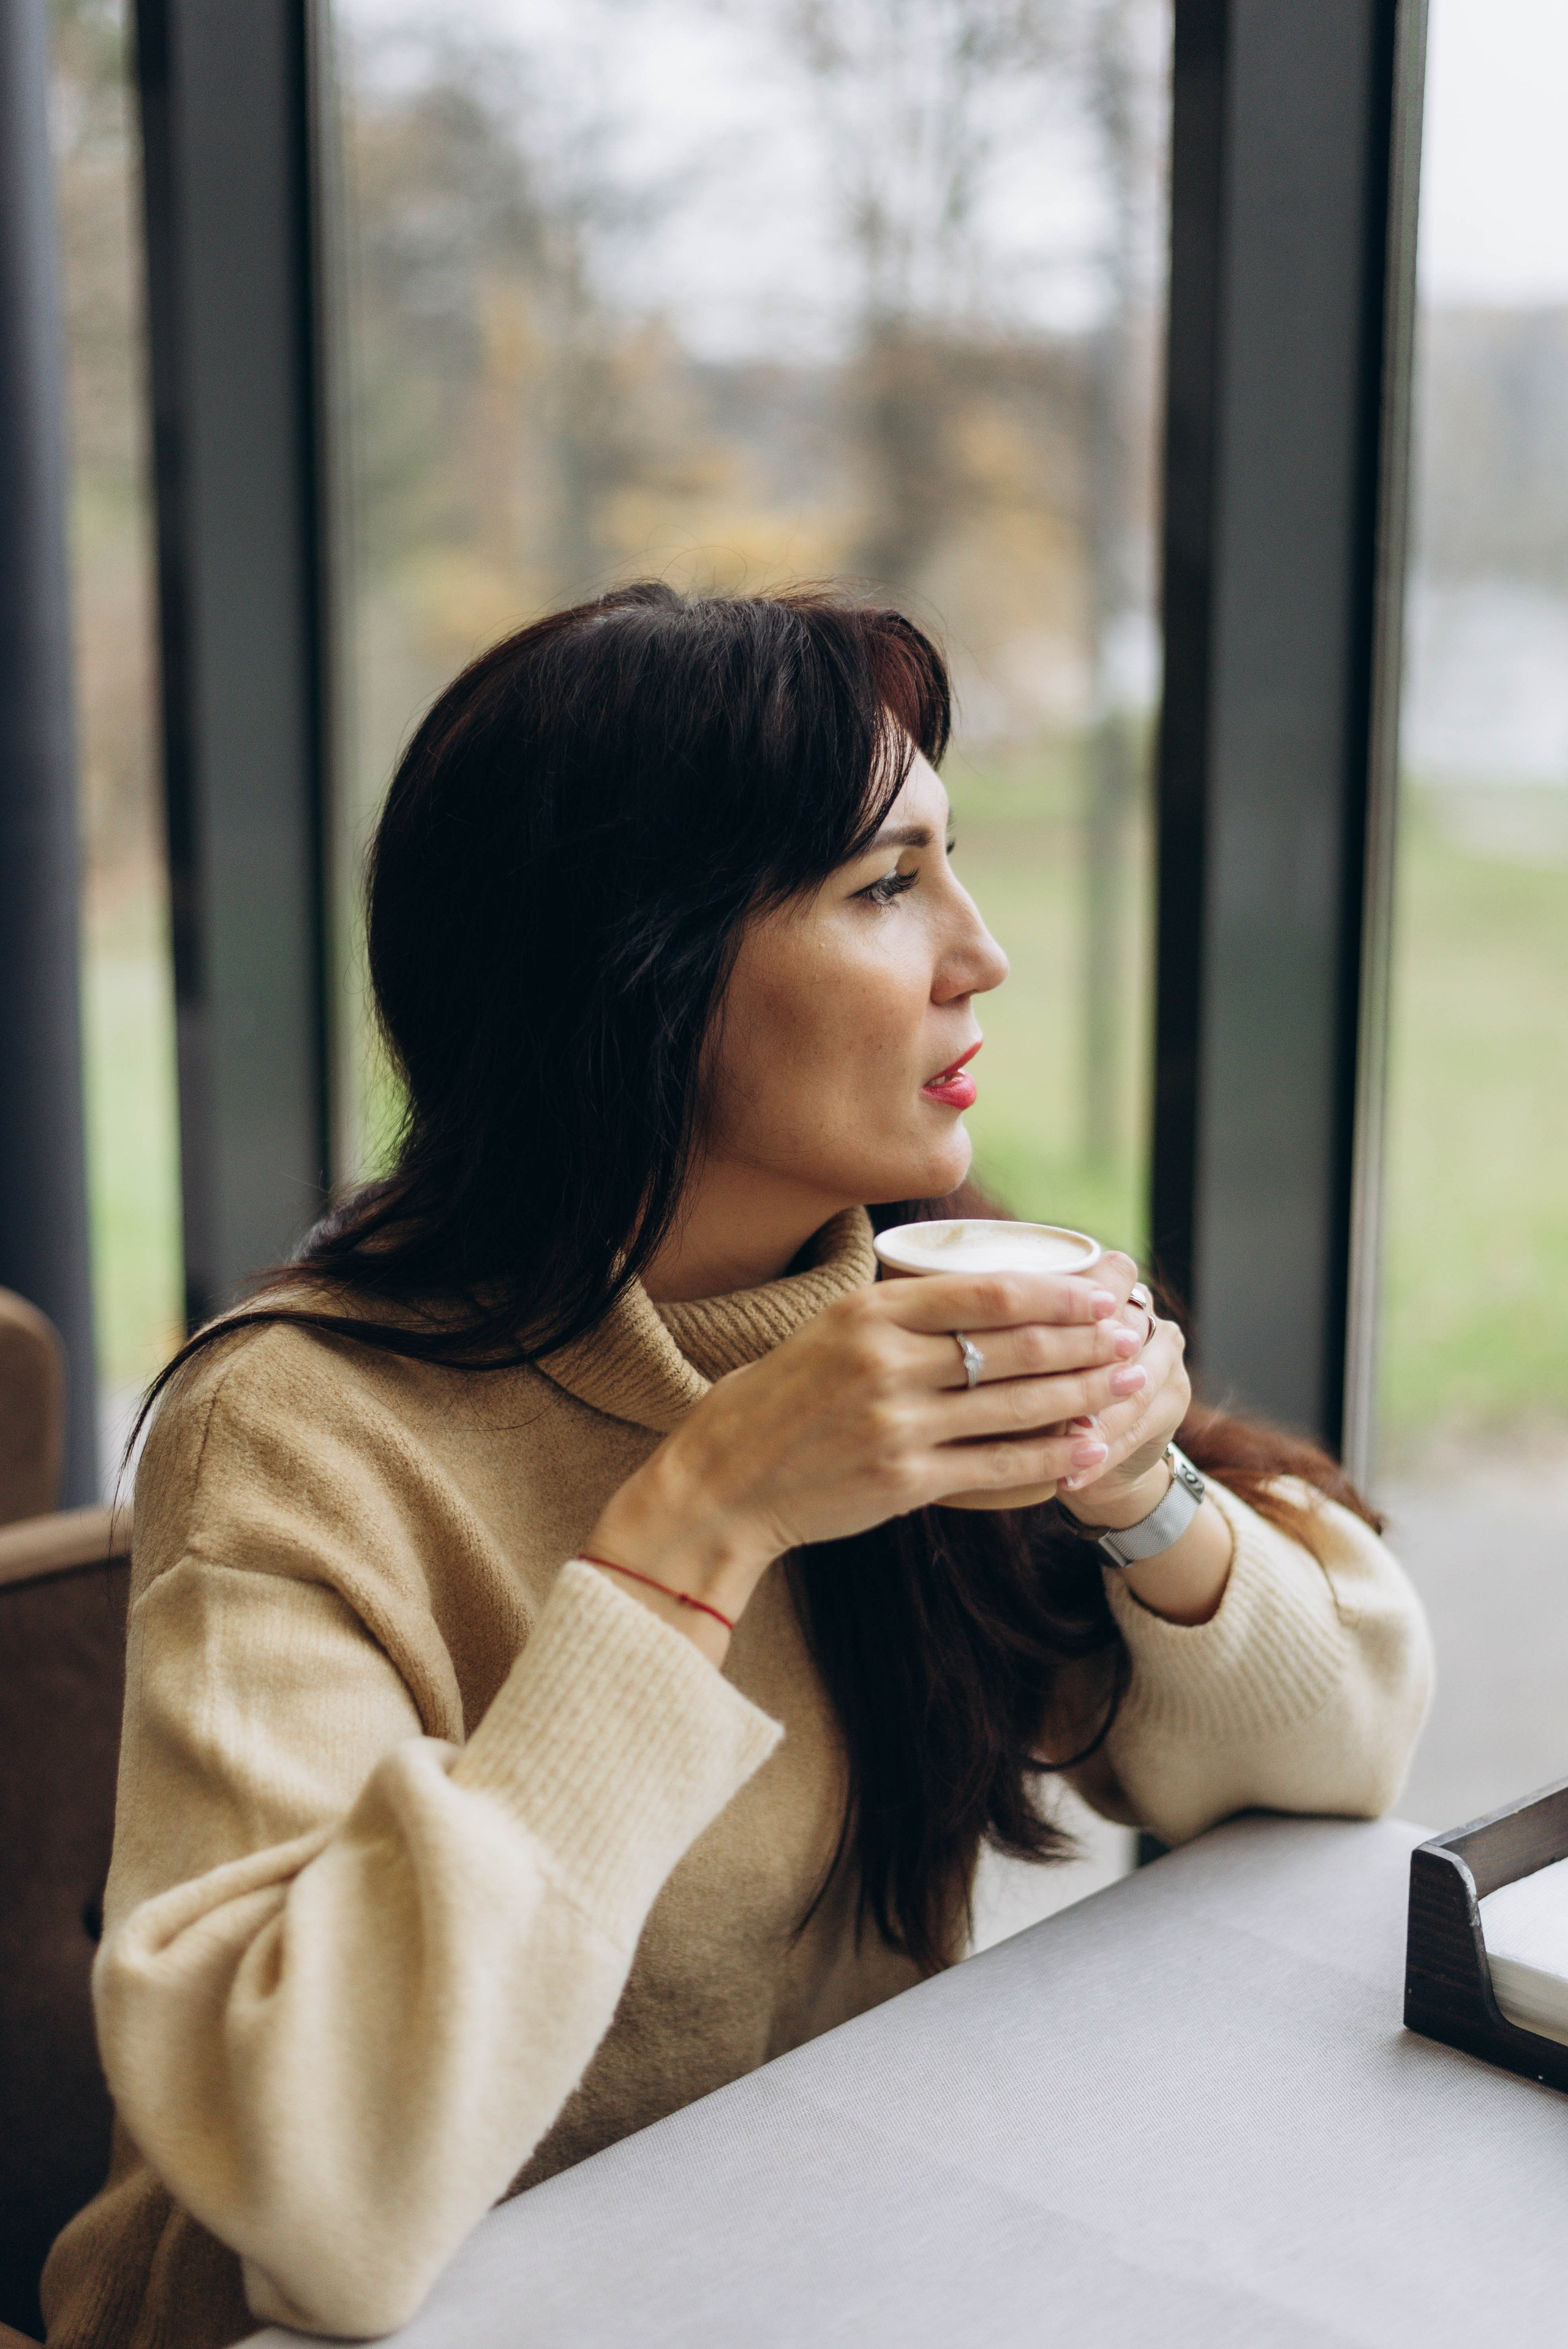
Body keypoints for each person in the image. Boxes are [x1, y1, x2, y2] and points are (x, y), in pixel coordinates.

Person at [43, 586, 1431, 2349]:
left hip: (802, 2272)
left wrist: (1134, 1490)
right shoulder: (300, 1429)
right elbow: (328, 2206)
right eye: (885, 883)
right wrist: (704, 1522)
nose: (980, 950)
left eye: (954, 862)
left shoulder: (913, 1290)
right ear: (641, 972)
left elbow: (1342, 1766)